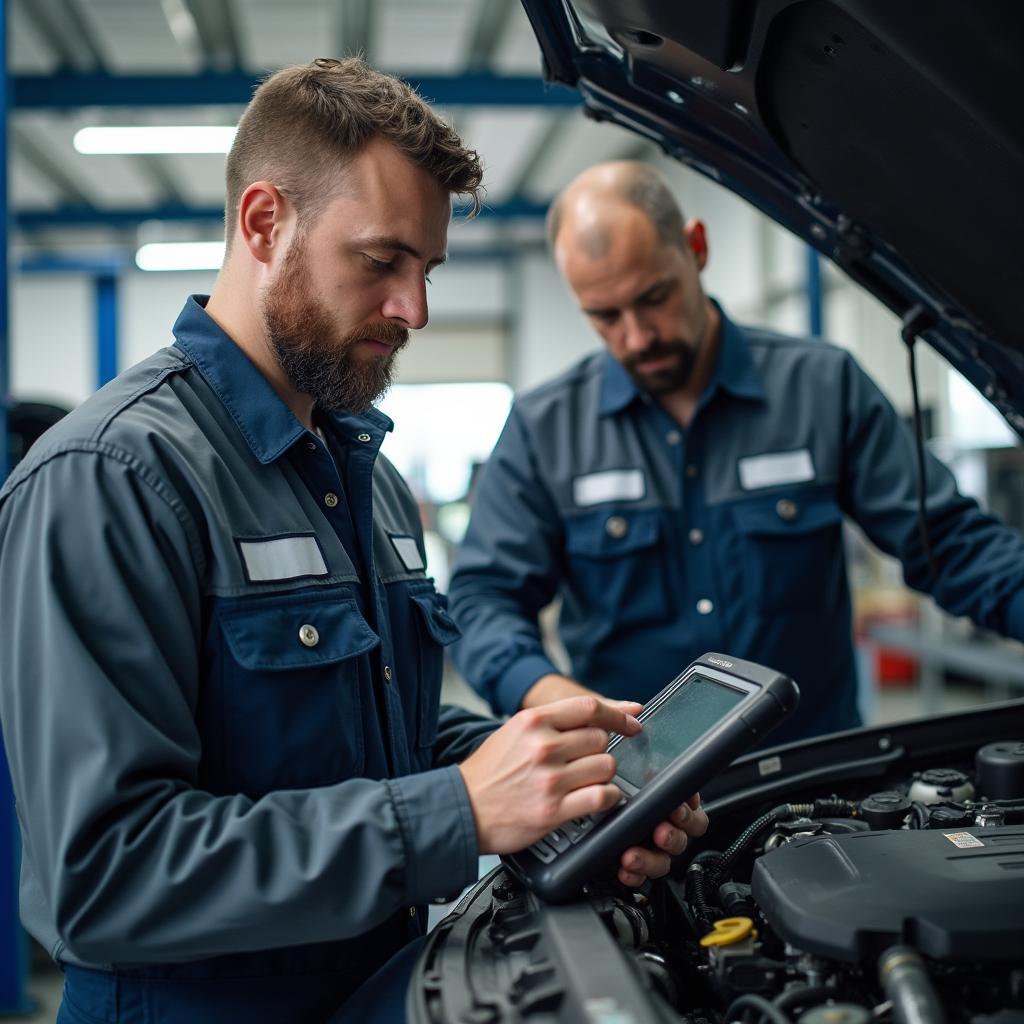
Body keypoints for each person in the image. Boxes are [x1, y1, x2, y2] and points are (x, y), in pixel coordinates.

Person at [0, 65, 708, 1024]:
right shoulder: (111, 479)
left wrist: (555, 776)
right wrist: (457, 812)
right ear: (263, 224)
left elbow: (384, 740)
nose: (413, 309)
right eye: (381, 261)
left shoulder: (371, 482)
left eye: (427, 270)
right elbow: (105, 876)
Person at [447, 161, 1024, 745]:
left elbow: (952, 548)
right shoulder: (545, 428)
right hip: (638, 784)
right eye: (605, 316)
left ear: (695, 248)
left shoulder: (822, 388)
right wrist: (557, 697)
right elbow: (482, 600)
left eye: (654, 297)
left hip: (811, 780)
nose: (638, 336)